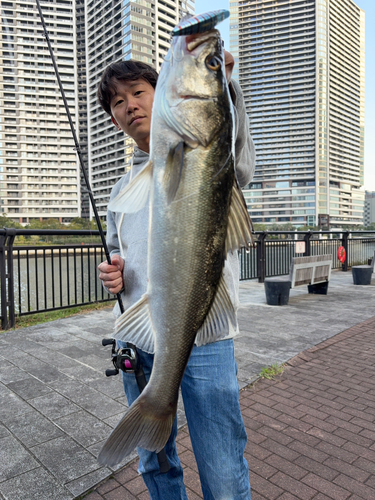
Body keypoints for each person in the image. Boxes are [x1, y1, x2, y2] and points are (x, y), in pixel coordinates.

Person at [97, 47, 255, 499]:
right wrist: (111, 272)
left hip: (203, 335)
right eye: (117, 102)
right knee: (155, 462)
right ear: (114, 120)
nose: (129, 105)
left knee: (222, 464)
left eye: (138, 92)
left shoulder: (204, 152)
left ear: (163, 94)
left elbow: (239, 158)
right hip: (139, 333)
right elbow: (116, 249)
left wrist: (225, 88)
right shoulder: (121, 187)